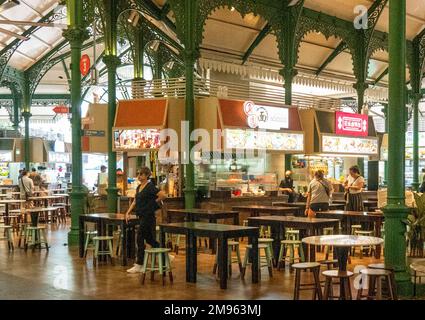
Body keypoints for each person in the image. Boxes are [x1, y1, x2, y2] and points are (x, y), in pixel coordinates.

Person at [125, 167, 167, 273]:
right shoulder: (139, 187)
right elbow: (135, 201)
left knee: (139, 237)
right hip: (141, 215)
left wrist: (153, 203)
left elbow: (163, 195)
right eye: (138, 174)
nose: (139, 176)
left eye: (141, 174)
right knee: (150, 239)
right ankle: (165, 256)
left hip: (148, 216)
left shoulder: (150, 186)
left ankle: (139, 263)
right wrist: (128, 212)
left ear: (147, 175)